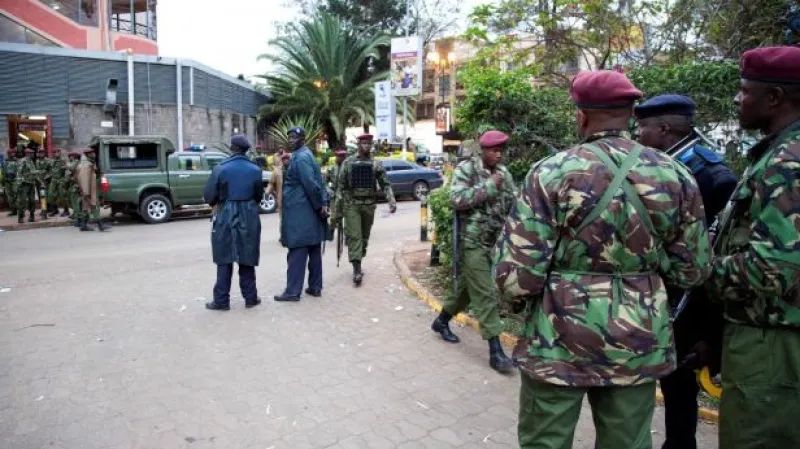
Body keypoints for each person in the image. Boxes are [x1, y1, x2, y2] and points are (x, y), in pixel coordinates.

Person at [493, 70, 711, 449]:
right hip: (637, 339)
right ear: (630, 114)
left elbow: (519, 275)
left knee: (545, 441)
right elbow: (692, 268)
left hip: (556, 338)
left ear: (580, 115)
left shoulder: (551, 173)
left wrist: (520, 308)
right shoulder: (675, 174)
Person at [709, 46, 800, 449]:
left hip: (771, 344)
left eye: (744, 90)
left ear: (774, 98)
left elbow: (770, 272)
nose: (736, 99)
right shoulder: (778, 154)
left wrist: (697, 268)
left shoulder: (786, 164)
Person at [634, 94, 738, 449]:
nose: (638, 135)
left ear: (663, 129)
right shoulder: (666, 165)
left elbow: (713, 256)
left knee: (679, 388)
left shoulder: (711, 177)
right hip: (664, 299)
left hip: (690, 308)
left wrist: (710, 332)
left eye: (643, 128)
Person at [429, 130, 516, 373]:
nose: (498, 155)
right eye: (494, 150)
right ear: (483, 150)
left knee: (469, 290)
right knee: (486, 293)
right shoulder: (467, 170)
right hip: (472, 241)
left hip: (494, 242)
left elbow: (513, 204)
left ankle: (441, 321)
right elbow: (456, 200)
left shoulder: (505, 174)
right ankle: (496, 352)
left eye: (501, 151)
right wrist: (489, 186)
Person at [203, 135, 264, 311]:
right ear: (246, 150)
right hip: (249, 214)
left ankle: (222, 301)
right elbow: (258, 196)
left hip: (226, 213)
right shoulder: (255, 170)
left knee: (224, 256)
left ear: (232, 148)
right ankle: (250, 297)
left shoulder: (221, 169)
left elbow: (209, 196)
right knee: (247, 255)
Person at [332, 134, 396, 285]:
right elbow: (340, 188)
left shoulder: (376, 164)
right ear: (358, 144)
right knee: (355, 236)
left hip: (369, 205)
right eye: (364, 143)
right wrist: (337, 212)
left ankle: (359, 260)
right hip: (352, 205)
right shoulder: (348, 163)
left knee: (365, 237)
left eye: (369, 143)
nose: (367, 146)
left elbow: (385, 183)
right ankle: (356, 269)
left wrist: (391, 200)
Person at [274, 127, 328, 301]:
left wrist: (319, 205)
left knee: (297, 251)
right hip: (306, 211)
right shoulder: (301, 155)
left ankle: (292, 291)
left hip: (301, 212)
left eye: (295, 137)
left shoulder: (302, 157)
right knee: (313, 249)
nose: (291, 140)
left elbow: (311, 184)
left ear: (303, 139)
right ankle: (315, 287)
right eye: (289, 137)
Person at [75, 147, 110, 231]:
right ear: (88, 154)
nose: (94, 154)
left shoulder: (89, 163)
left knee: (85, 207)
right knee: (94, 206)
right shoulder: (85, 165)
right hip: (88, 190)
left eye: (93, 153)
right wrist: (86, 192)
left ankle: (83, 225)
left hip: (89, 189)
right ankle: (100, 225)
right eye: (91, 153)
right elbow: (83, 179)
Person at [15, 145, 38, 224]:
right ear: (27, 153)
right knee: (22, 201)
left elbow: (33, 173)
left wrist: (39, 181)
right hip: (24, 184)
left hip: (31, 183)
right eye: (31, 153)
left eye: (32, 153)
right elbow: (19, 172)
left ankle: (32, 216)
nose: (32, 154)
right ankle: (20, 217)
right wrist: (18, 184)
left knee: (32, 200)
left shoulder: (31, 162)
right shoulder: (22, 161)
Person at [265, 147, 286, 217]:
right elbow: (271, 183)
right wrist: (267, 192)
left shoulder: (287, 156)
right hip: (282, 197)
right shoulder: (276, 170)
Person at [2, 150, 18, 217]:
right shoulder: (4, 162)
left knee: (16, 195)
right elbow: (3, 172)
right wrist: (4, 180)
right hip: (7, 181)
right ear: (8, 154)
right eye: (11, 153)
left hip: (15, 180)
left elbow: (19, 171)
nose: (13, 154)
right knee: (10, 197)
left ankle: (19, 210)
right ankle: (13, 210)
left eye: (13, 153)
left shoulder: (17, 161)